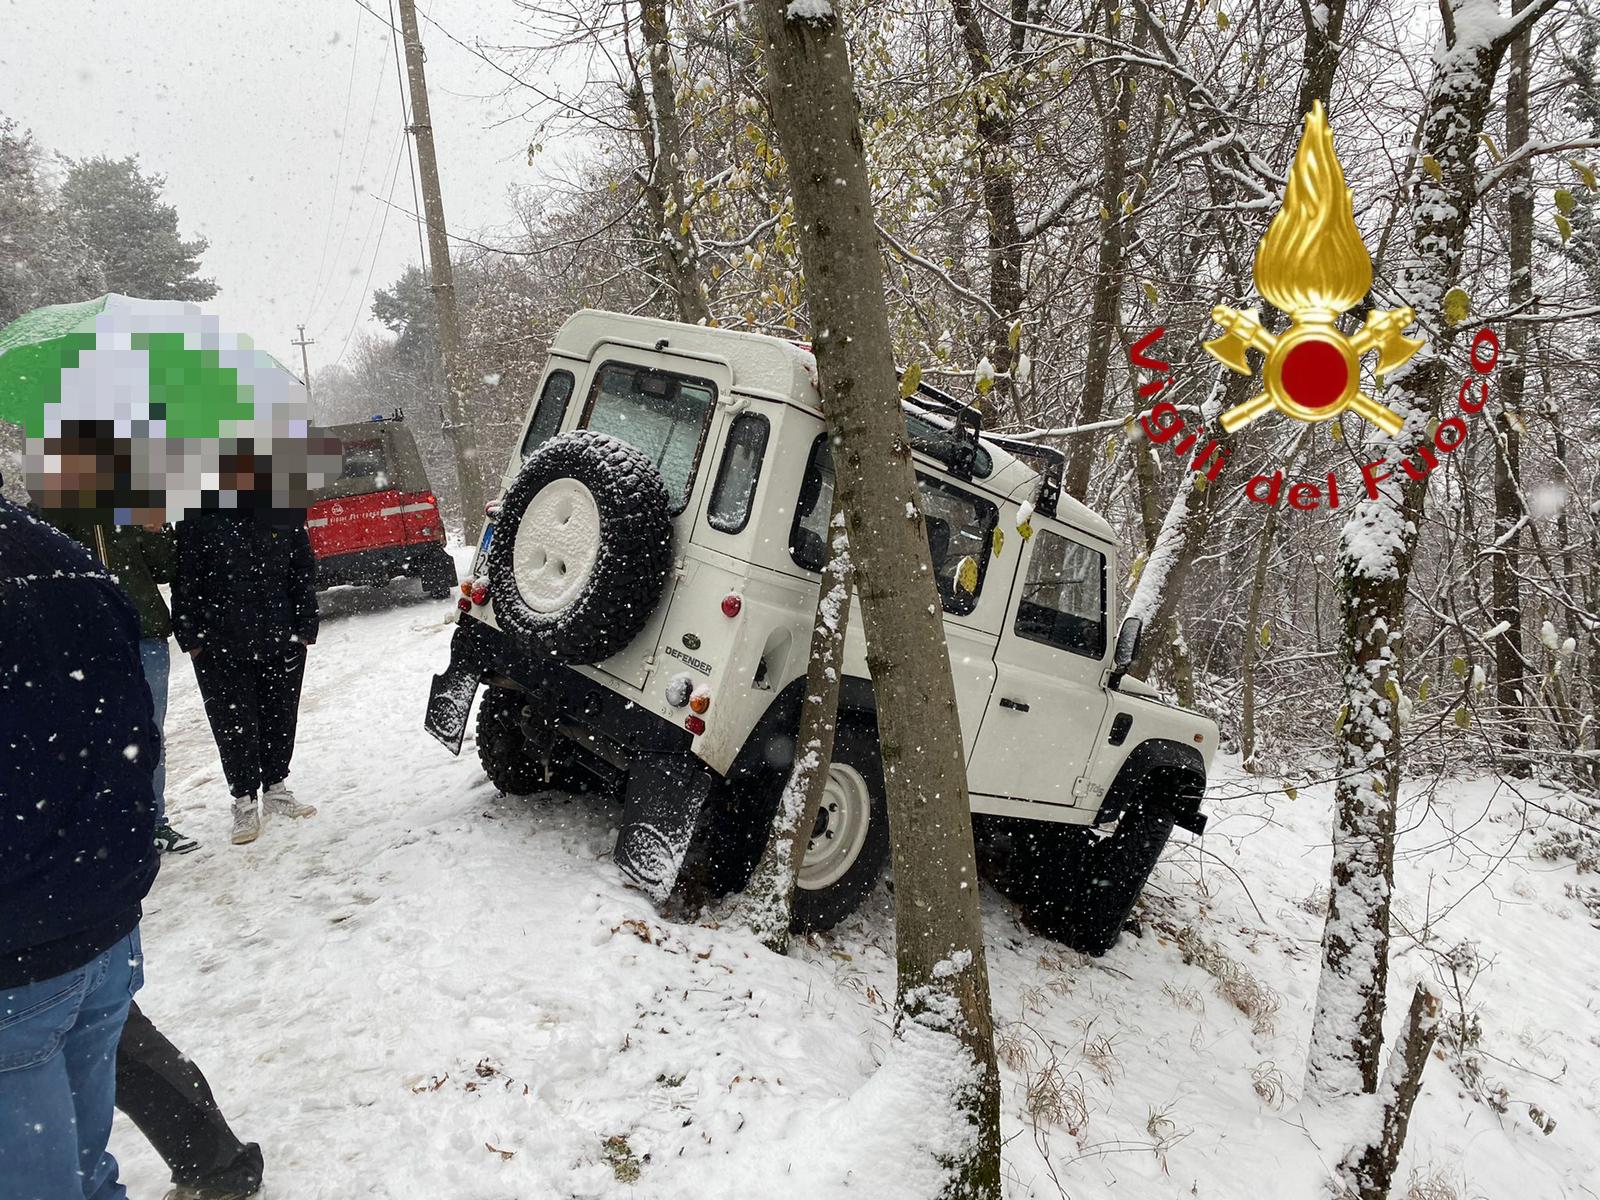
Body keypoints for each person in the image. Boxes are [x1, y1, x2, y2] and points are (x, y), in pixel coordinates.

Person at [0, 494, 158, 1200]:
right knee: (86, 1173)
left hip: (21, 963)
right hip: (101, 930)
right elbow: (136, 743)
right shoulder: (71, 562)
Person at [173, 474, 320, 845]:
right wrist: (191, 638)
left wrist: (304, 628)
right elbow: (185, 579)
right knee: (232, 722)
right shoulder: (198, 511)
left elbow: (302, 568)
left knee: (280, 714)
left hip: (280, 634)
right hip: (219, 641)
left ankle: (276, 788)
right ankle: (242, 800)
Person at [45, 509, 201, 854]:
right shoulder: (54, 507)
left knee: (149, 732)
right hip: (83, 641)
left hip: (145, 637)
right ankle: (108, 829)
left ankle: (154, 822)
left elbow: (166, 568)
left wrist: (157, 532)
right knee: (91, 736)